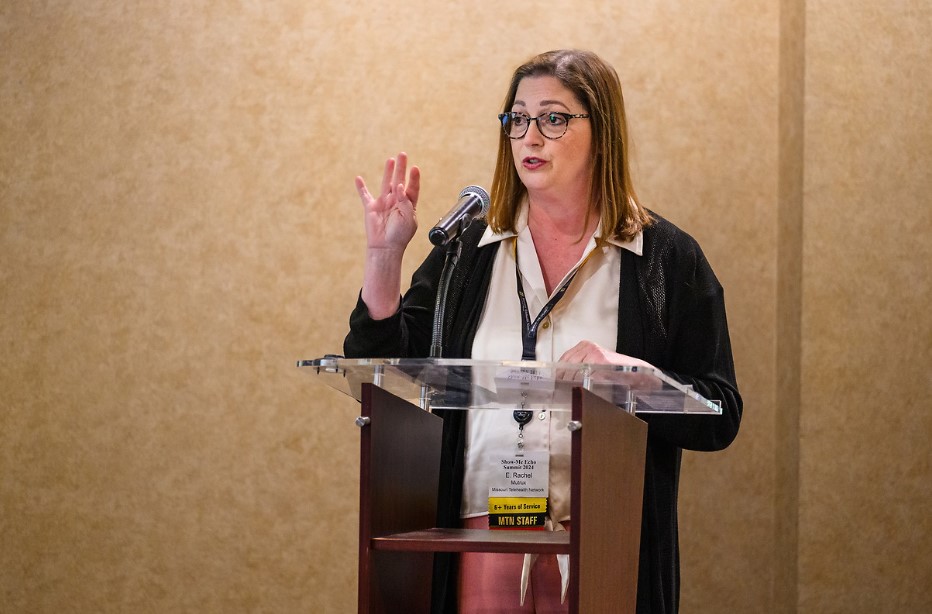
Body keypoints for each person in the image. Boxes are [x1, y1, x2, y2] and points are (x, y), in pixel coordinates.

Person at [343, 49, 742, 614]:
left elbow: (720, 412)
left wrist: (628, 376)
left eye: (553, 118)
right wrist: (383, 258)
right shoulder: (467, 253)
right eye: (517, 118)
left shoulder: (664, 260)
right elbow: (378, 362)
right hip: (479, 538)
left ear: (602, 134)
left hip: (605, 543)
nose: (530, 136)